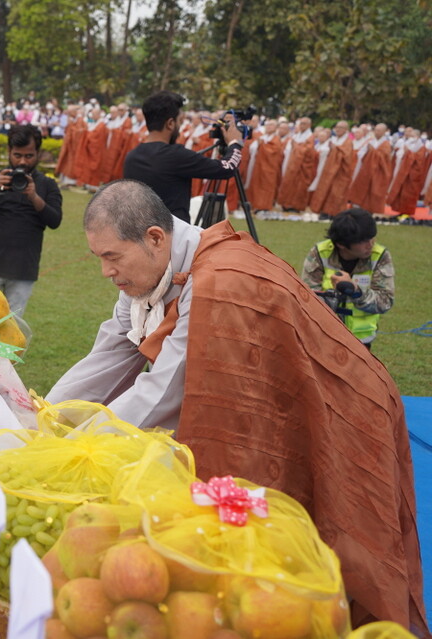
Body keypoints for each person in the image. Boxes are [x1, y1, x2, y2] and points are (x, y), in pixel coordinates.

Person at [46, 179, 426, 633]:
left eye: (112, 257)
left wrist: (71, 450)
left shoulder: (220, 281)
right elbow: (110, 352)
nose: (106, 272)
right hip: (291, 402)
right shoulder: (154, 271)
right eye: (99, 258)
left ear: (154, 238)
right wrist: (44, 418)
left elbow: (163, 395)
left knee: (335, 536)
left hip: (346, 407)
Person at [0, 124, 63, 317]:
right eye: (17, 155)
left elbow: (55, 220)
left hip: (23, 269)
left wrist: (34, 197)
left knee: (11, 328)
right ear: (9, 152)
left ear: (38, 153)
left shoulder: (47, 184)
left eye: (28, 156)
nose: (22, 162)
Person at [123, 91, 244, 223]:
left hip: (139, 232)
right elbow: (226, 168)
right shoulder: (175, 155)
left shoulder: (132, 156)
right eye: (179, 121)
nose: (180, 127)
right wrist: (234, 143)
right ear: (170, 123)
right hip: (172, 236)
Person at [301, 208, 394, 349]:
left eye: (371, 237)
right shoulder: (320, 253)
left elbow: (385, 302)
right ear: (341, 244)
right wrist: (332, 296)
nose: (370, 244)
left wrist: (356, 291)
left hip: (361, 342)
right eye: (363, 241)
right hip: (324, 336)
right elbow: (307, 298)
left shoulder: (380, 256)